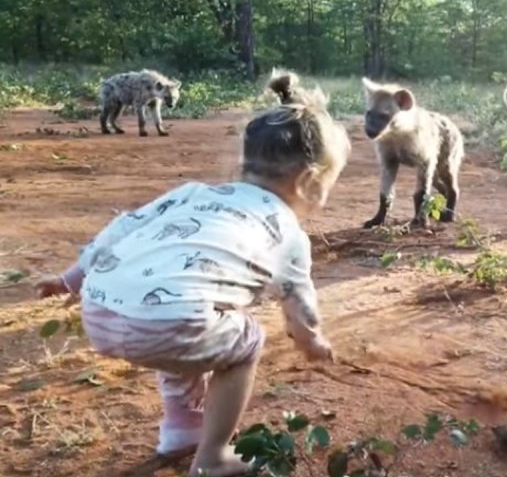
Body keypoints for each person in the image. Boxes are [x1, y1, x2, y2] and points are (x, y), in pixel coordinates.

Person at [34, 87, 351, 477]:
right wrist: (311, 340)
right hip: (164, 322)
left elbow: (123, 227)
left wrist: (71, 279)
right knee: (244, 340)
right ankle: (213, 457)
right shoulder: (287, 231)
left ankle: (181, 431)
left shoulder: (193, 194)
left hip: (100, 309)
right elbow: (298, 303)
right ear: (308, 180)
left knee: (186, 318)